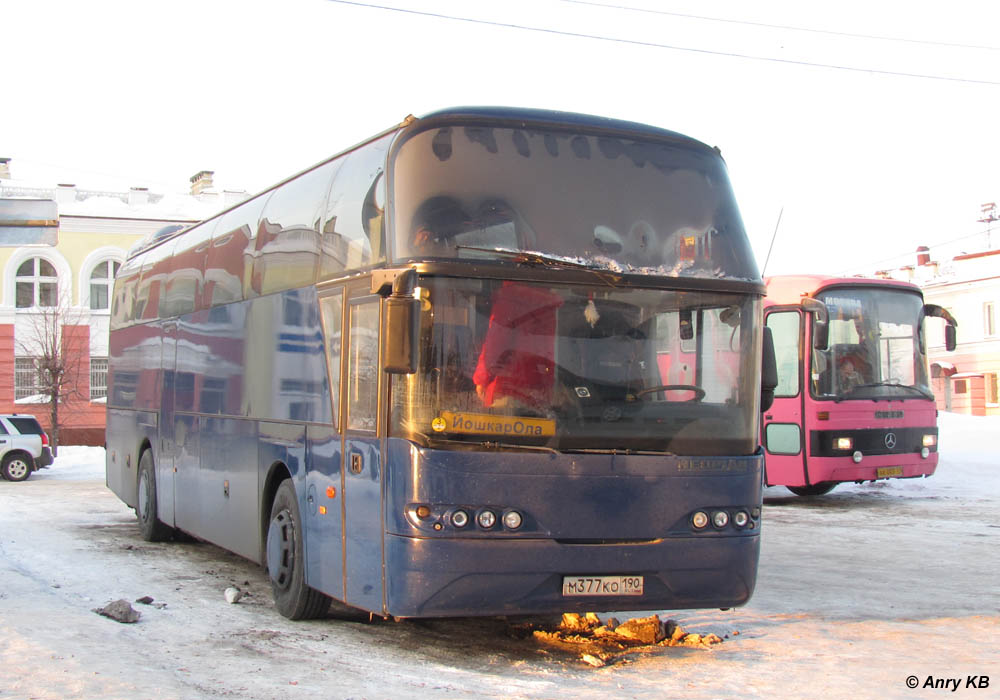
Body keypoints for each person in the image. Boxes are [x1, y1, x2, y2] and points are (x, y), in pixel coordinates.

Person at [473, 281, 563, 415]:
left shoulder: (509, 299)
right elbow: (547, 351)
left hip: (506, 387)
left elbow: (496, 344)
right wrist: (546, 386)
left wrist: (482, 379)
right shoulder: (548, 304)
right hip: (536, 389)